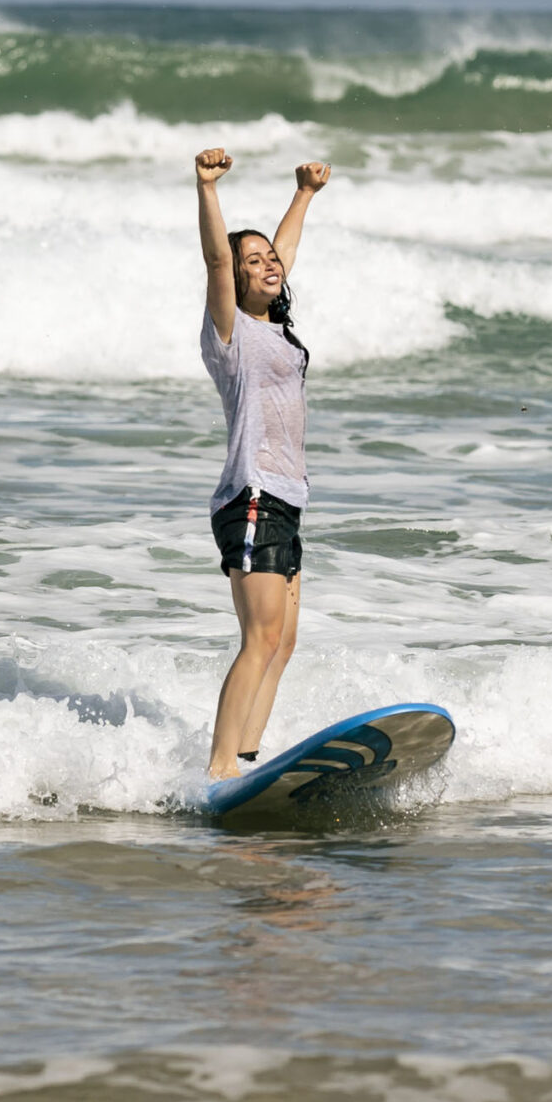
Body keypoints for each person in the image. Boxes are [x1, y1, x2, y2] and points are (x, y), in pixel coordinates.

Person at [194, 147, 331, 779]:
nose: (267, 263)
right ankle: (220, 770)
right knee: (260, 639)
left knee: (283, 643)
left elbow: (286, 252)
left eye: (269, 258)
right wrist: (207, 188)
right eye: (254, 262)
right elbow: (219, 257)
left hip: (287, 498)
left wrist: (303, 194)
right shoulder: (231, 334)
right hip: (251, 495)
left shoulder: (275, 329)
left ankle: (246, 759)